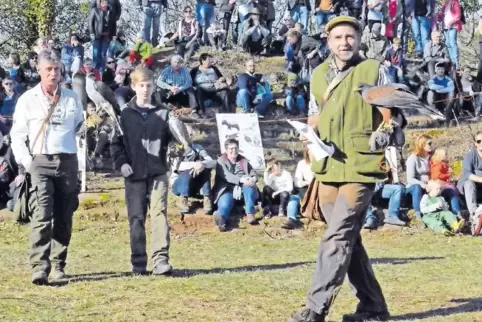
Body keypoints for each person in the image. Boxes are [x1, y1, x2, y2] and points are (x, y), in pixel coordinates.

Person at [290, 16, 390, 322]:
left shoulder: (373, 69)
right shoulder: (318, 74)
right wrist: (308, 138)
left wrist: (387, 128)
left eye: (350, 36)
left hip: (361, 165)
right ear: (328, 41)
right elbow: (315, 115)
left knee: (337, 237)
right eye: (338, 37)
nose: (344, 42)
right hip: (328, 166)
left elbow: (392, 112)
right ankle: (373, 306)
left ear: (358, 39)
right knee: (347, 239)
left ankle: (315, 308)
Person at [10, 50, 84, 285]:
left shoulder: (72, 97)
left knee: (64, 215)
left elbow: (79, 130)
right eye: (49, 69)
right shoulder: (27, 100)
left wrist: (87, 130)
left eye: (57, 69)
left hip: (68, 161)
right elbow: (17, 136)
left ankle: (59, 264)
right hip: (39, 162)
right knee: (41, 215)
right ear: (39, 71)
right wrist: (27, 162)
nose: (53, 74)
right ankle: (39, 267)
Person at [111, 67, 189, 276]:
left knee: (159, 215)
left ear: (154, 86)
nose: (145, 89)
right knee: (136, 218)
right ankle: (138, 262)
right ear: (134, 87)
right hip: (133, 174)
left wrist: (174, 158)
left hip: (158, 173)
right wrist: (121, 164)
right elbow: (115, 144)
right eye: (141, 85)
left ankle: (160, 260)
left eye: (149, 85)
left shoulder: (164, 113)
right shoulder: (124, 115)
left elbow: (177, 143)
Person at [212, 139, 258, 232]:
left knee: (249, 184)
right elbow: (227, 176)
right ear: (226, 150)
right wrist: (241, 180)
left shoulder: (243, 160)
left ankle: (250, 214)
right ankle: (221, 220)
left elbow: (253, 173)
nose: (234, 150)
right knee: (225, 203)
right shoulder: (221, 161)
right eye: (231, 148)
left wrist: (253, 179)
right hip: (226, 188)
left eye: (235, 148)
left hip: (242, 190)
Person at [170, 143, 216, 215]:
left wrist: (202, 164)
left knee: (206, 170)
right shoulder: (175, 148)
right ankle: (183, 201)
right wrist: (195, 165)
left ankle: (207, 199)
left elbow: (212, 162)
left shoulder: (197, 147)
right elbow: (176, 165)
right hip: (178, 187)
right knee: (188, 171)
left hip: (194, 187)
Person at [284, 149, 313, 229]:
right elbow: (297, 182)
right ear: (307, 152)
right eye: (311, 150)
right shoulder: (302, 164)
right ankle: (291, 219)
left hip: (321, 189)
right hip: (305, 188)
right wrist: (308, 182)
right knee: (293, 198)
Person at [405, 134, 432, 221]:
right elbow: (410, 179)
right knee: (417, 187)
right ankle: (418, 213)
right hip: (414, 187)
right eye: (429, 143)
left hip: (430, 184)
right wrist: (422, 184)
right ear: (422, 145)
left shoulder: (431, 157)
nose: (432, 145)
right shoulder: (413, 158)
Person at [457, 131, 482, 218]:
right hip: (469, 190)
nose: (481, 143)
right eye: (479, 141)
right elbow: (467, 173)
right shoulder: (470, 156)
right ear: (475, 143)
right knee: (469, 183)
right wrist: (480, 179)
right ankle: (474, 214)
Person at [89, 0, 117, 72]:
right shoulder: (95, 10)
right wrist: (92, 32)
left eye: (105, 2)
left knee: (103, 54)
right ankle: (95, 71)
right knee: (96, 54)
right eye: (103, 2)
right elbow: (90, 22)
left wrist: (114, 35)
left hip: (106, 36)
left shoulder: (111, 12)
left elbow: (114, 25)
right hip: (97, 35)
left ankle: (101, 71)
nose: (104, 4)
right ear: (100, 3)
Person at [438, 0, 463, 70]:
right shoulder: (444, 3)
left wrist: (451, 22)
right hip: (445, 27)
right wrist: (438, 16)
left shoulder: (455, 2)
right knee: (447, 44)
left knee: (452, 43)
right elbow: (442, 15)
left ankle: (456, 63)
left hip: (453, 26)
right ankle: (452, 62)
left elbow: (458, 15)